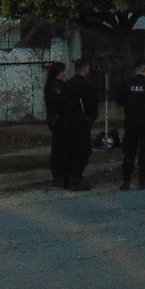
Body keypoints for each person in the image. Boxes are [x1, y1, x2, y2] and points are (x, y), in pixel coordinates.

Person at [116, 60, 145, 189]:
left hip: (131, 121)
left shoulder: (126, 84)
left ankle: (126, 182)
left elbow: (119, 101)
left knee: (129, 152)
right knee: (144, 152)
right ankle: (142, 181)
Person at [58, 60, 98, 191]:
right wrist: (91, 118)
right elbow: (92, 105)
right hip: (81, 122)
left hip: (66, 122)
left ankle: (67, 178)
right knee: (83, 150)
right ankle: (75, 178)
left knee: (69, 150)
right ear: (85, 68)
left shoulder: (67, 84)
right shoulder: (86, 85)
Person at [44, 62, 68, 184]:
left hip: (56, 119)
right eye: (64, 71)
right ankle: (58, 174)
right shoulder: (56, 86)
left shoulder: (52, 85)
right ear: (60, 72)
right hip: (58, 119)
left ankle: (59, 173)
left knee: (59, 147)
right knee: (59, 147)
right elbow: (58, 103)